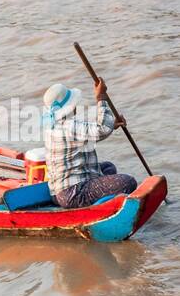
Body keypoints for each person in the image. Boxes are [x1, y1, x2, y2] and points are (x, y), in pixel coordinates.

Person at [43, 77, 137, 209]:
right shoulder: (69, 126)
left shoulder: (53, 126)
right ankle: (101, 207)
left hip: (59, 191)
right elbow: (101, 129)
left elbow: (90, 132)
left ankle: (101, 200)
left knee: (108, 168)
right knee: (128, 182)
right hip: (73, 193)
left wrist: (111, 124)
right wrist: (101, 98)